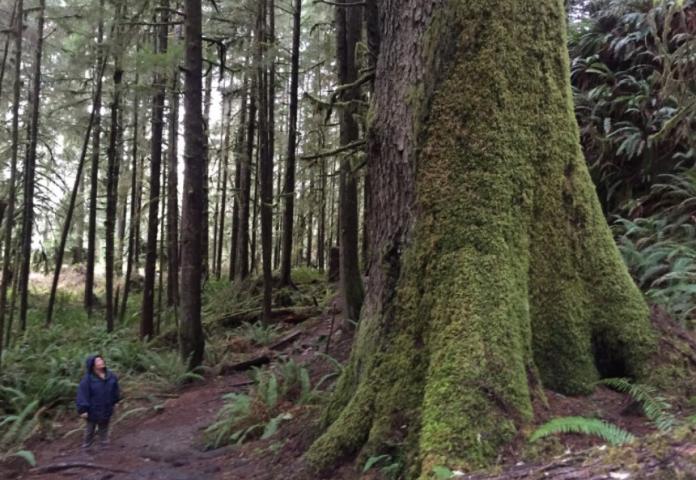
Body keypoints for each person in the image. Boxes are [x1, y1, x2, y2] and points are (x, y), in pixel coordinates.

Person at [75, 354, 121, 450]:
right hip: (93, 409)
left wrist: (116, 401)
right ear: (92, 365)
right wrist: (83, 410)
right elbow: (82, 394)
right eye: (98, 361)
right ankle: (87, 447)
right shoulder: (87, 380)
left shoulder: (111, 376)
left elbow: (115, 389)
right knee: (90, 429)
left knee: (104, 426)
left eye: (101, 360)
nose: (101, 362)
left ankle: (104, 445)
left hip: (107, 406)